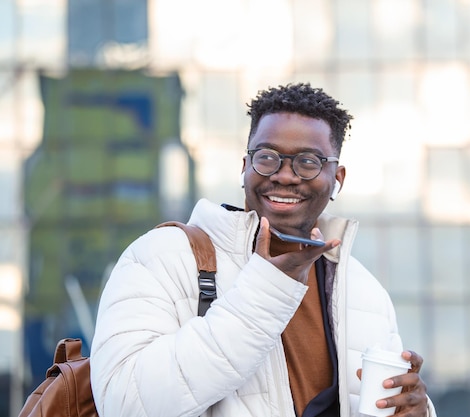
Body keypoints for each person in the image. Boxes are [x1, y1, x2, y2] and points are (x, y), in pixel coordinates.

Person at [90, 83, 436, 417]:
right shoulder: (161, 257)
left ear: (338, 178)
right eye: (268, 157)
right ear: (244, 167)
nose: (285, 176)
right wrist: (267, 289)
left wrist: (416, 411)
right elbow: (125, 405)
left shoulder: (363, 291)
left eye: (308, 161)